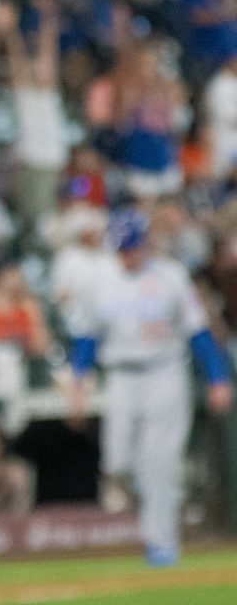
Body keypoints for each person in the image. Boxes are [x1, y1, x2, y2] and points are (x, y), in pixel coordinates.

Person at [67, 208, 233, 567]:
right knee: (119, 462)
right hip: (122, 377)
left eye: (134, 246)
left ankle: (162, 543)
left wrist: (217, 377)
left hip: (165, 372)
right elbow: (86, 336)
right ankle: (159, 513)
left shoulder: (170, 275)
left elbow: (198, 332)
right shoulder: (101, 279)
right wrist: (77, 381)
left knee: (161, 464)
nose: (129, 255)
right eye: (123, 248)